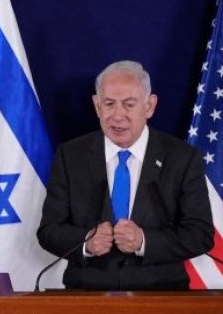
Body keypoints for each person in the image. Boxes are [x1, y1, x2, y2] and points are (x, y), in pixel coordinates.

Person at [37, 60, 214, 290]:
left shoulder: (182, 158)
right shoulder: (71, 156)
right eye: (109, 104)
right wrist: (86, 242)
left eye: (129, 105)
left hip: (162, 299)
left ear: (149, 106)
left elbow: (200, 234)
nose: (117, 115)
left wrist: (144, 241)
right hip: (86, 300)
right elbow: (49, 230)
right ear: (97, 105)